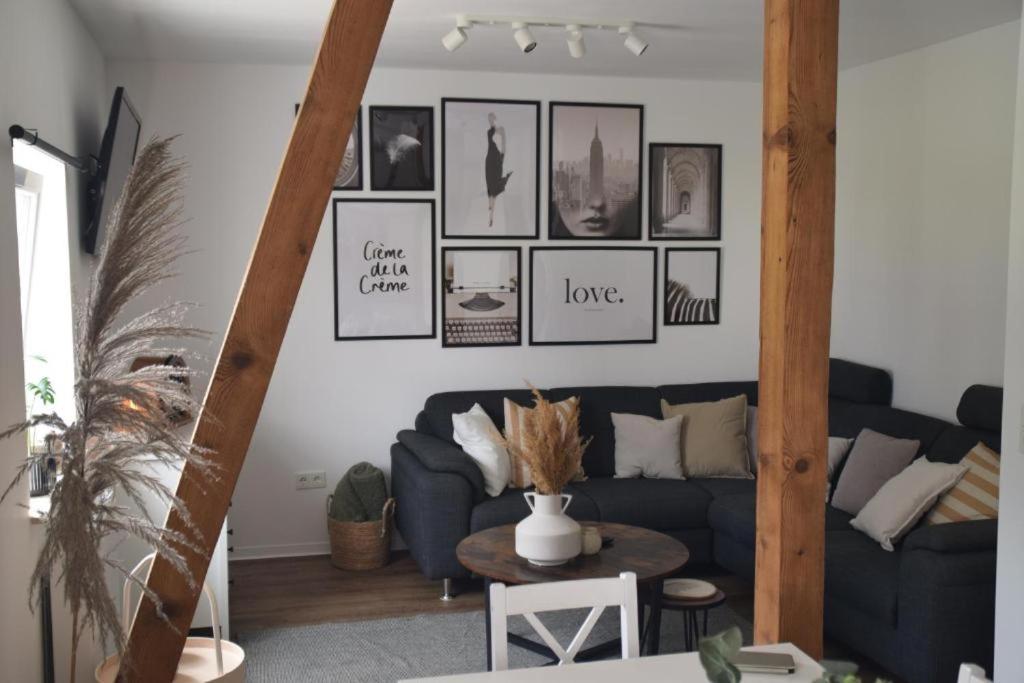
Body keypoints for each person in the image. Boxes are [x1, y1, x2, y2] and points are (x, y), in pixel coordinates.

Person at [485, 112, 513, 227]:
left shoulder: (496, 138)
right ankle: (490, 211)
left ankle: (491, 212)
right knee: (493, 191)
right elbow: (503, 146)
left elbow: (503, 146)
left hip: (493, 164)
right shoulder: (495, 140)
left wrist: (493, 123)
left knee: (493, 190)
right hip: (493, 164)